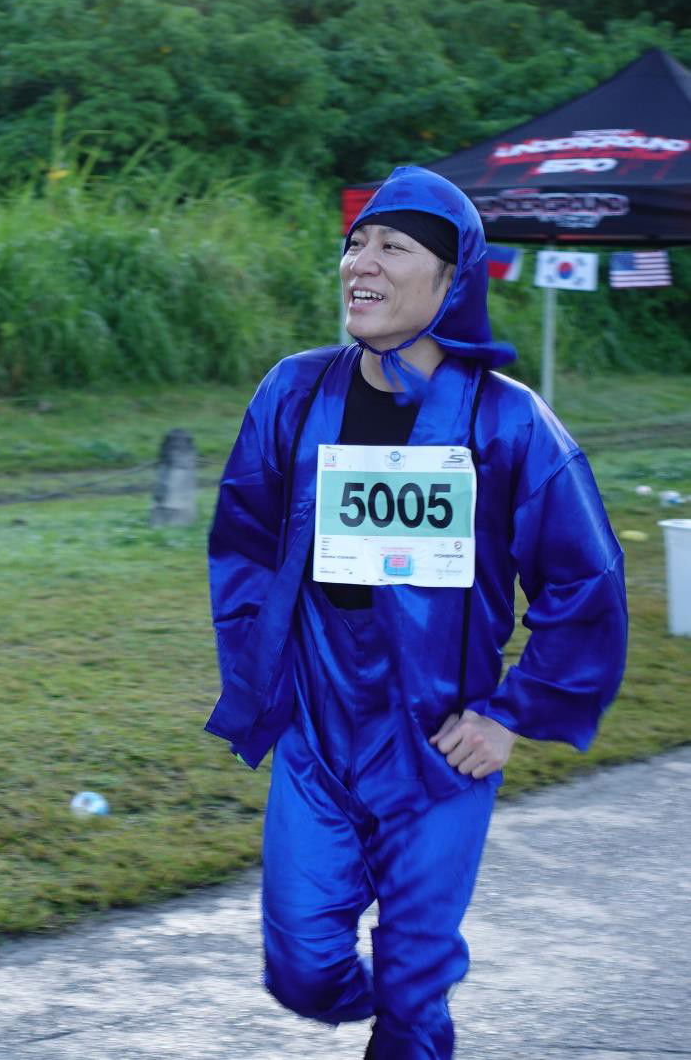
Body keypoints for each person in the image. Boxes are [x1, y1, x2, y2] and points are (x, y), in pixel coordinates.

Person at [204, 165, 627, 1059]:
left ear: (451, 280)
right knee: (301, 968)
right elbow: (241, 539)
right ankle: (392, 999)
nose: (361, 259)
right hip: (318, 730)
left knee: (413, 983)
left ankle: (409, 1013)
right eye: (355, 241)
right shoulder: (293, 391)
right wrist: (260, 671)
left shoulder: (508, 423)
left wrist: (512, 714)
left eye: (393, 245)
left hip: (438, 742)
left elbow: (583, 580)